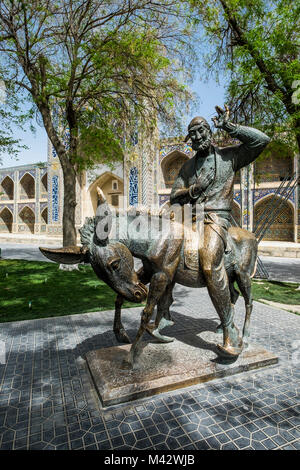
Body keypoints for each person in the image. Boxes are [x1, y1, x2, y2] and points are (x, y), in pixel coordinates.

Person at [170, 105, 270, 357]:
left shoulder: (229, 157)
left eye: (202, 131)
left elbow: (262, 141)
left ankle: (230, 330)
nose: (199, 137)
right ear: (189, 140)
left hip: (216, 218)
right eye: (193, 134)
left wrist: (230, 127)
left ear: (210, 132)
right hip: (190, 218)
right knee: (162, 253)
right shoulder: (188, 167)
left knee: (208, 264)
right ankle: (160, 314)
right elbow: (174, 196)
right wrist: (192, 191)